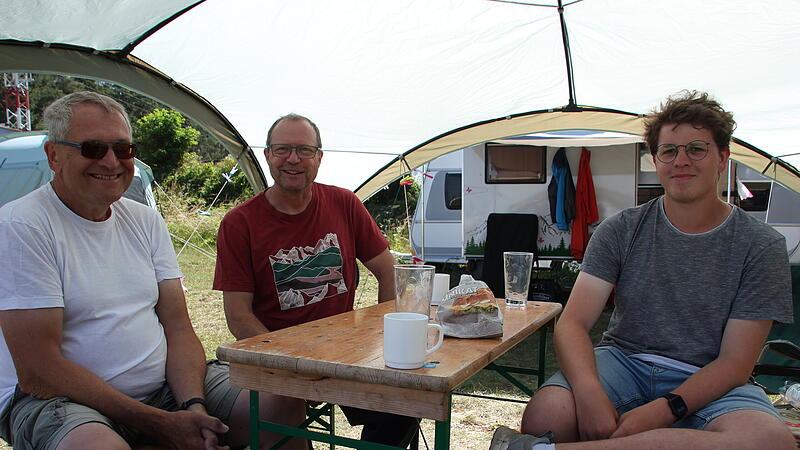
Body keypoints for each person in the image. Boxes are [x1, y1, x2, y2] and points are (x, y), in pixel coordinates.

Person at [491, 91, 795, 450]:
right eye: (669, 151)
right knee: (548, 415)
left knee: (770, 441)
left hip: (712, 379)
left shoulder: (760, 245)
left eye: (697, 148)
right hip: (625, 363)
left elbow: (734, 363)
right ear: (655, 160)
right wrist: (589, 394)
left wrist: (663, 410)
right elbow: (572, 323)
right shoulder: (621, 229)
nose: (681, 160)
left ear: (722, 159)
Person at [0, 91, 271, 450]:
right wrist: (159, 424)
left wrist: (193, 407)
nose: (111, 162)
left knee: (275, 402)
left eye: (124, 149)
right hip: (59, 400)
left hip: (163, 391)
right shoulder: (23, 225)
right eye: (94, 149)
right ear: (54, 155)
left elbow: (178, 328)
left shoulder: (144, 220)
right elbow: (39, 371)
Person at [213, 113, 418, 448]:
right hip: (279, 357)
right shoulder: (240, 223)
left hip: (345, 352)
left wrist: (384, 333)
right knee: (285, 424)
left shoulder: (344, 203)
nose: (293, 160)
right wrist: (289, 362)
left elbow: (388, 270)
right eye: (282, 150)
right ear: (267, 155)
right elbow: (239, 317)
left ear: (319, 158)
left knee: (404, 402)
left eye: (305, 151)